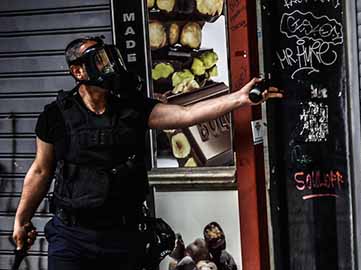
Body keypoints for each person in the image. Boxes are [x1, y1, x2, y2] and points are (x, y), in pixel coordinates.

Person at [11, 36, 282, 270]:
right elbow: (41, 170)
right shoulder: (55, 115)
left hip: (124, 236)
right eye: (99, 60)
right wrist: (22, 220)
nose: (109, 65)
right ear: (79, 72)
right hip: (72, 236)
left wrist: (240, 98)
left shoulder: (131, 108)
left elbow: (186, 115)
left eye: (108, 58)